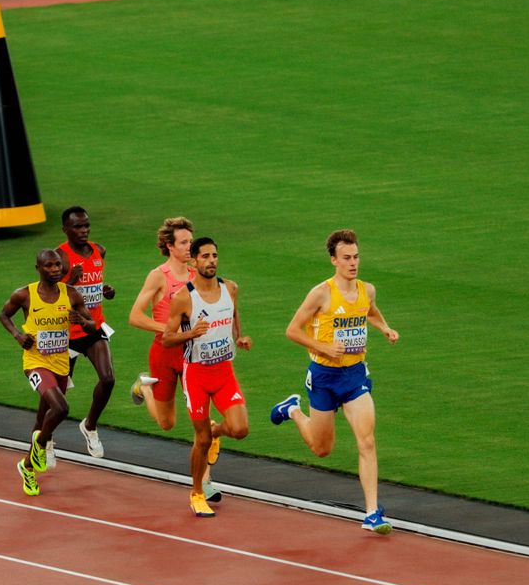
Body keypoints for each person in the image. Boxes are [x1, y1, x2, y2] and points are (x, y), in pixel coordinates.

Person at [271, 228, 400, 534]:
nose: (353, 263)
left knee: (367, 440)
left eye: (356, 257)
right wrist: (324, 347)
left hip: (354, 375)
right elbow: (292, 330)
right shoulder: (321, 293)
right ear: (334, 260)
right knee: (321, 449)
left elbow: (371, 311)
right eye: (346, 258)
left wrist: (385, 328)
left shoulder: (367, 290)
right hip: (324, 376)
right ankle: (292, 410)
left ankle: (372, 513)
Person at [163, 236, 251, 518]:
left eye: (214, 255)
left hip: (224, 371)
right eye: (205, 256)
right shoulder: (184, 298)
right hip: (197, 375)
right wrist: (191, 333)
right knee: (199, 441)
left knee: (240, 429)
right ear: (194, 262)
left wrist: (240, 336)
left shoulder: (231, 288)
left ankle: (216, 433)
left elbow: (233, 312)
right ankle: (197, 492)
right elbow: (166, 339)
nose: (211, 260)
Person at [0, 248, 95, 497]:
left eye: (58, 266)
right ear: (38, 269)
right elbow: (3, 315)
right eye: (49, 266)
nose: (55, 269)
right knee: (61, 408)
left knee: (43, 421)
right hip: (35, 362)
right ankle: (40, 447)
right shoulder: (24, 294)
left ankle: (27, 467)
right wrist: (18, 335)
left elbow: (92, 323)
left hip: (61, 364)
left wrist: (81, 322)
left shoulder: (71, 294)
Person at [57, 205, 117, 457]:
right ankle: (45, 439)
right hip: (67, 333)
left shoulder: (98, 250)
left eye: (86, 225)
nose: (84, 231)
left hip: (93, 327)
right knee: (57, 397)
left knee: (108, 379)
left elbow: (95, 284)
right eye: (78, 227)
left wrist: (105, 291)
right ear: (66, 229)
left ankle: (89, 426)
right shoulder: (60, 257)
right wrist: (70, 281)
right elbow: (47, 296)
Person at [126, 216, 195, 430]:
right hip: (164, 352)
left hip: (191, 351)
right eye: (183, 243)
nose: (189, 247)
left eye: (190, 241)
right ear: (170, 246)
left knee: (198, 411)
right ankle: (144, 388)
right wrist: (167, 329)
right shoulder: (158, 276)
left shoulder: (197, 274)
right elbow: (135, 316)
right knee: (167, 424)